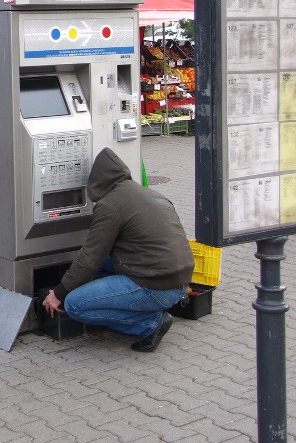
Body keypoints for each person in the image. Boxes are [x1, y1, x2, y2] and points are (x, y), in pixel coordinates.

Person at [42, 147, 194, 352]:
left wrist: (59, 293)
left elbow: (89, 258)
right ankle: (128, 303)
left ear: (96, 181)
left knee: (74, 305)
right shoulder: (146, 193)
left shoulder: (110, 205)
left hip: (157, 286)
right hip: (180, 281)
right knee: (100, 264)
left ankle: (150, 323)